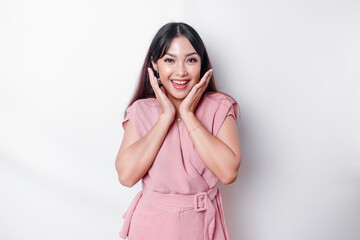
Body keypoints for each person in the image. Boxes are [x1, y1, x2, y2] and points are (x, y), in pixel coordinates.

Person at [115, 22, 242, 240]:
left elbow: (228, 172)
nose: (181, 71)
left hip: (201, 227)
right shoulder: (141, 111)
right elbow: (126, 177)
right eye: (169, 60)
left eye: (191, 60)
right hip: (150, 227)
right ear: (155, 64)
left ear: (201, 64)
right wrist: (166, 117)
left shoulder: (220, 107)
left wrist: (188, 114)